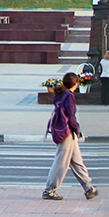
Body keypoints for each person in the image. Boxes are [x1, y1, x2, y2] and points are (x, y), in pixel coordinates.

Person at [43, 73, 97, 201]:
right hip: (67, 133)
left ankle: (88, 188)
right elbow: (71, 115)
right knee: (61, 162)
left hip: (65, 132)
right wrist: (77, 129)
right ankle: (49, 190)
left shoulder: (61, 94)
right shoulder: (69, 95)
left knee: (77, 161)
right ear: (76, 83)